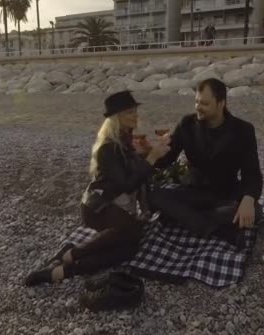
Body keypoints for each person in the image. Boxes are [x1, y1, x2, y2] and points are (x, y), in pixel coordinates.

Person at [25, 91, 170, 286]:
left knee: (129, 250)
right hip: (99, 208)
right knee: (133, 231)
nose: (136, 115)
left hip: (117, 206)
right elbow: (126, 185)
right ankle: (73, 253)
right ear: (116, 118)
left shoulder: (126, 141)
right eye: (129, 112)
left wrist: (144, 155)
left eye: (135, 110)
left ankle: (60, 272)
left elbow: (133, 172)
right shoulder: (107, 148)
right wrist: (151, 158)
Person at [149, 78, 263, 244]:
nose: (198, 107)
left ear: (221, 103)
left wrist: (248, 198)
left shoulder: (243, 130)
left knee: (256, 210)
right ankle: (216, 229)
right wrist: (150, 152)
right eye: (196, 102)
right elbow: (166, 160)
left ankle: (187, 218)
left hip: (226, 194)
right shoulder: (187, 124)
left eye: (204, 103)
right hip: (193, 191)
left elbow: (252, 173)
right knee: (153, 196)